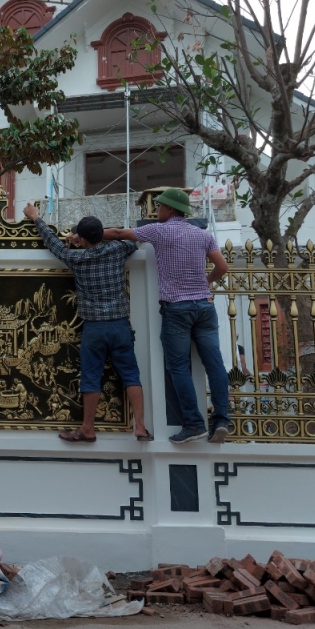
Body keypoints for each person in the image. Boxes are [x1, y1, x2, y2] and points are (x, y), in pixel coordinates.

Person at [102, 187, 230, 444]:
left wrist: (87, 233)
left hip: (176, 309)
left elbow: (118, 233)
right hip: (204, 306)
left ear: (170, 209)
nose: (156, 210)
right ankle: (221, 420)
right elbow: (222, 267)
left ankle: (194, 423)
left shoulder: (158, 231)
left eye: (160, 206)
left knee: (178, 366)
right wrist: (204, 283)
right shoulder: (202, 235)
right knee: (214, 363)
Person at [23, 203, 150, 443]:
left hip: (94, 327)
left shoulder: (76, 259)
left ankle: (88, 428)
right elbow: (132, 237)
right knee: (131, 375)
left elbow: (53, 243)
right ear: (101, 234)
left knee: (91, 376)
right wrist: (96, 235)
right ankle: (141, 426)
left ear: (82, 238)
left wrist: (36, 217)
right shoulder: (119, 250)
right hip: (120, 324)